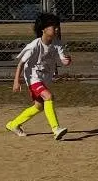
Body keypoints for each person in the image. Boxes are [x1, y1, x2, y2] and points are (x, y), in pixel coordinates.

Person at [7, 12, 72, 140]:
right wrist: (16, 81)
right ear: (43, 29)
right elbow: (21, 63)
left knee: (39, 106)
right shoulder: (34, 46)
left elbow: (64, 60)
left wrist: (67, 60)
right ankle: (56, 129)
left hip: (45, 77)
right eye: (54, 27)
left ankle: (13, 124)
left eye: (57, 26)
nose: (57, 29)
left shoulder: (57, 43)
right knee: (49, 96)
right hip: (33, 77)